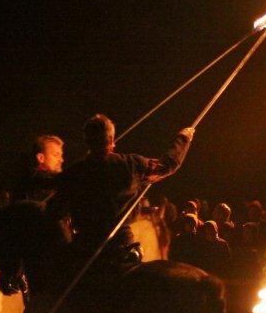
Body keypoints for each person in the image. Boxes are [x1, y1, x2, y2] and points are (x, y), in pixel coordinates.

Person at [46, 114, 194, 275]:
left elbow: (55, 213)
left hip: (85, 250)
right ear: (110, 140)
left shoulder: (73, 173)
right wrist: (183, 138)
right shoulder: (130, 165)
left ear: (87, 141)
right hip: (122, 248)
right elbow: (167, 165)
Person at [14, 134, 65, 204]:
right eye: (56, 155)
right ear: (41, 158)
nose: (61, 160)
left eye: (61, 155)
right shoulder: (37, 182)